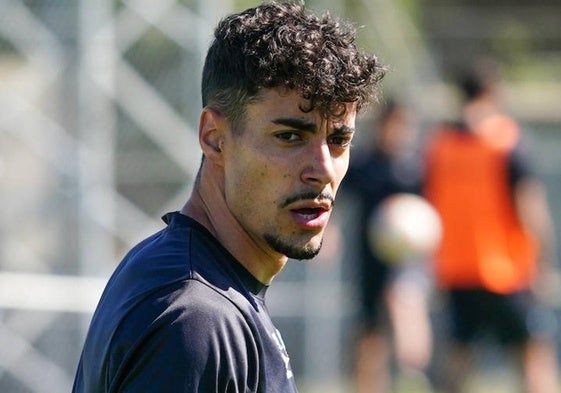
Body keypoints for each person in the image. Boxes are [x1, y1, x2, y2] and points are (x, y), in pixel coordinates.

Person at [72, 2, 386, 392]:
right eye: (290, 136)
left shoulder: (186, 274)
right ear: (214, 138)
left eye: (339, 140)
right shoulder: (195, 321)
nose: (322, 169)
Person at [424, 59, 559, 393]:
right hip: (506, 272)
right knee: (532, 355)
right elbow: (530, 208)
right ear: (493, 92)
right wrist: (543, 263)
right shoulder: (505, 141)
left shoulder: (439, 146)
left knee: (456, 361)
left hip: (455, 271)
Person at [342, 101, 434, 392]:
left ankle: (412, 376)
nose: (398, 132)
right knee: (370, 330)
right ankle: (369, 385)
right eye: (392, 125)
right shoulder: (365, 165)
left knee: (405, 306)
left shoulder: (417, 169)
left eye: (403, 126)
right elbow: (335, 197)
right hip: (370, 260)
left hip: (410, 261)